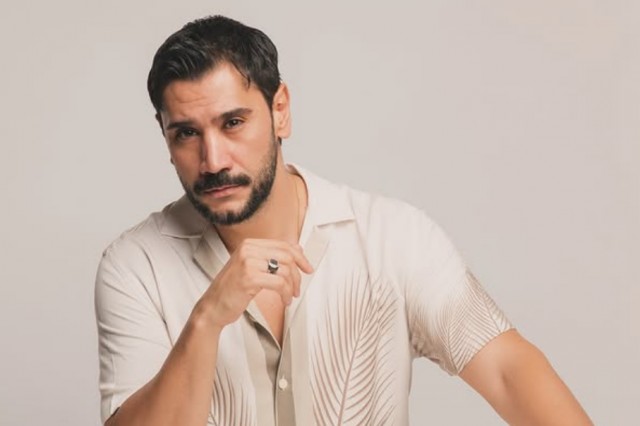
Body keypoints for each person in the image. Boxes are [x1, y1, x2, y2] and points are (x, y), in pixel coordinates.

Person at [94, 15, 592, 426]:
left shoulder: (391, 239)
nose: (214, 159)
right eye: (186, 134)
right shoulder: (137, 266)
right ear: (164, 136)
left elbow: (506, 369)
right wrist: (206, 321)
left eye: (234, 123)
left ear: (280, 111)